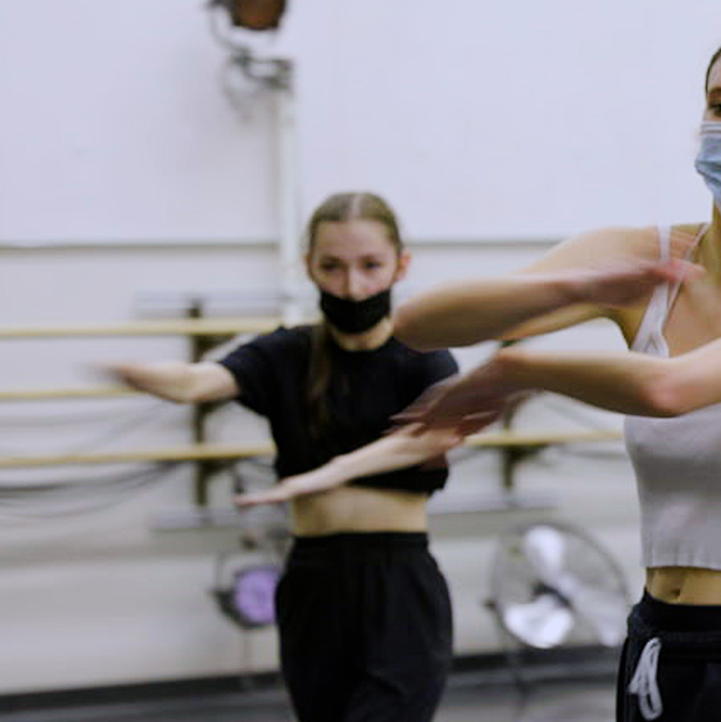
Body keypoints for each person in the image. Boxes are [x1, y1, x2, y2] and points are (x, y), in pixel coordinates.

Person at [389, 24, 721, 722]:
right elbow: (421, 325)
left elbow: (674, 388)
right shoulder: (644, 259)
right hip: (658, 645)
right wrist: (577, 288)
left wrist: (520, 368)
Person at [108, 192, 463, 722]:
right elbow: (199, 382)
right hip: (312, 579)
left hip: (399, 578)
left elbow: (430, 436)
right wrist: (140, 373)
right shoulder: (287, 354)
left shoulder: (425, 359)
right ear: (309, 269)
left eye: (370, 266)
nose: (352, 287)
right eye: (332, 268)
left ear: (400, 266)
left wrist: (333, 472)